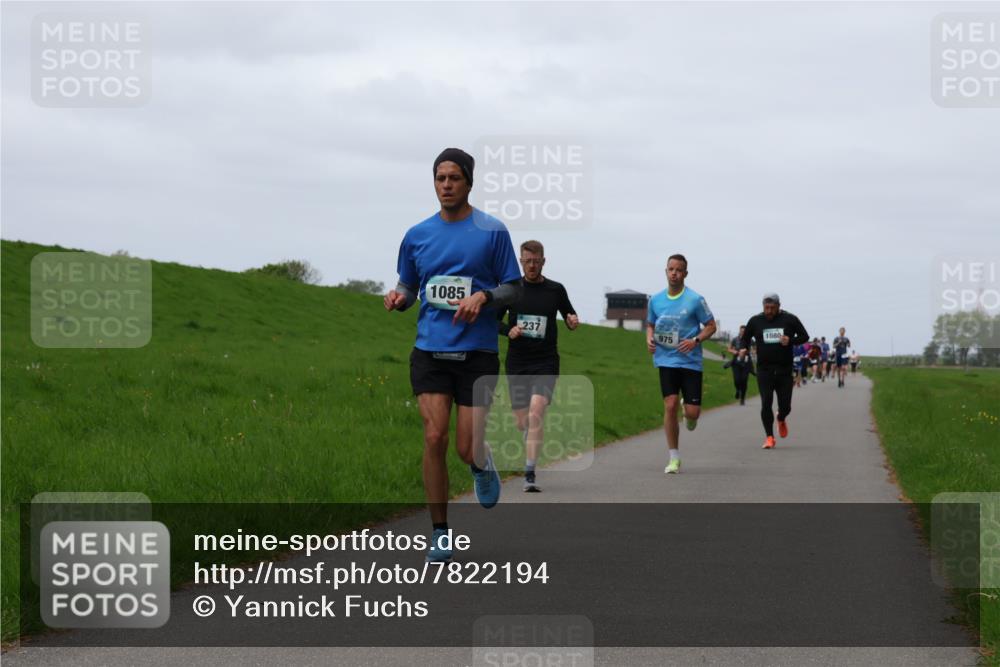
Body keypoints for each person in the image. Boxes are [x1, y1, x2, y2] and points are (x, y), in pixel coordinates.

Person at [385, 147, 522, 562]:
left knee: (466, 448)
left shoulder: (492, 232)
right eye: (440, 178)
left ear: (469, 182)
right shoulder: (417, 235)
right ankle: (440, 533)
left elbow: (514, 288)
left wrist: (483, 295)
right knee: (433, 437)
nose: (446, 185)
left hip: (477, 351)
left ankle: (481, 463)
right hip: (430, 349)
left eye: (454, 179)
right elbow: (410, 286)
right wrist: (398, 298)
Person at [497, 240, 579, 492]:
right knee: (523, 422)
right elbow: (493, 322)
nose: (532, 265)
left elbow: (569, 314)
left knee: (536, 413)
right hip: (518, 362)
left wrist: (571, 320)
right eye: (527, 261)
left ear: (544, 261)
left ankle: (529, 474)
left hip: (545, 361)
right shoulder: (510, 290)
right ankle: (530, 438)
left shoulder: (555, 290)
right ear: (520, 262)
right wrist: (508, 330)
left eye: (536, 261)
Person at [646, 254, 717, 473]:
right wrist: (648, 338)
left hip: (690, 362)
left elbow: (711, 325)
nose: (674, 273)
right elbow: (650, 324)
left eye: (678, 270)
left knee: (693, 413)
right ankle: (674, 458)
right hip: (666, 359)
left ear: (685, 274)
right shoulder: (655, 300)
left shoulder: (695, 299)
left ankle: (690, 414)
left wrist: (695, 340)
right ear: (665, 271)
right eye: (670, 269)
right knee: (670, 404)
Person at [739, 293, 810, 449]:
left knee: (786, 406)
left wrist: (790, 340)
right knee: (766, 403)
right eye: (766, 308)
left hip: (784, 369)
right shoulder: (755, 320)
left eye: (772, 308)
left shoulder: (790, 319)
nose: (769, 311)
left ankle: (781, 417)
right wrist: (743, 347)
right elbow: (745, 338)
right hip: (764, 369)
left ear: (779, 306)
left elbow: (805, 336)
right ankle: (769, 437)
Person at [726, 325, 754, 405]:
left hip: (746, 362)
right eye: (741, 331)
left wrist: (749, 351)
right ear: (739, 331)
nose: (742, 333)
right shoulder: (735, 339)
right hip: (736, 362)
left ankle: (742, 398)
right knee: (737, 379)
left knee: (744, 380)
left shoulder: (750, 340)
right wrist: (733, 351)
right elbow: (729, 348)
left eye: (744, 332)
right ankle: (738, 390)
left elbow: (755, 349)